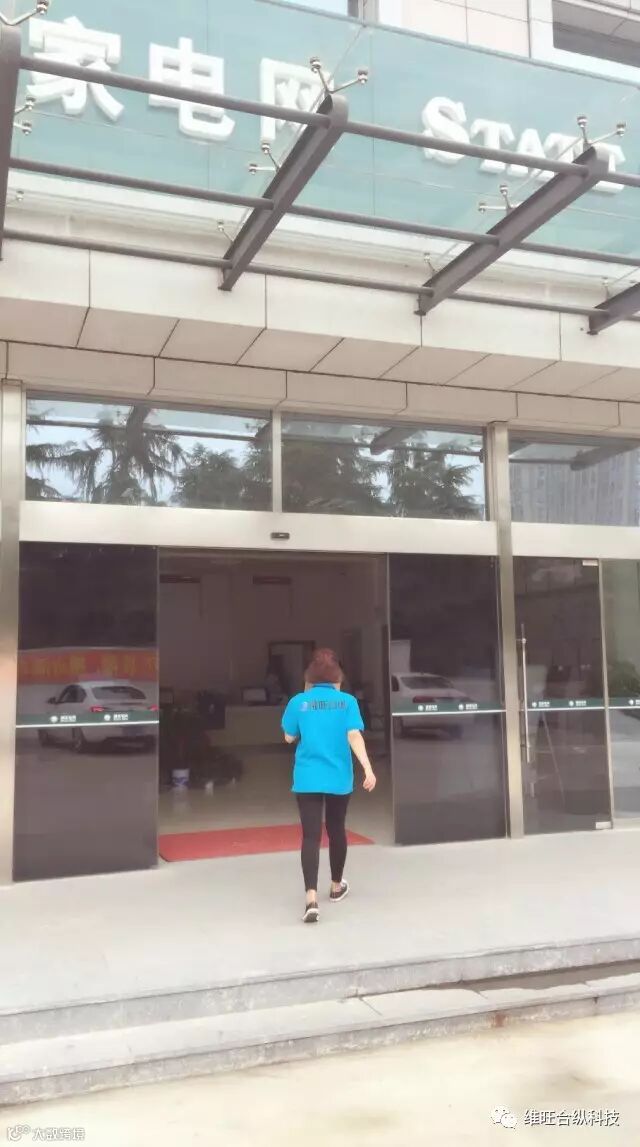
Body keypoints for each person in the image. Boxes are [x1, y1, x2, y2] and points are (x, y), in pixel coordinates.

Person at [281, 647, 376, 924]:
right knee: (336, 830)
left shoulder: (299, 701)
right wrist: (368, 768)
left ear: (310, 676)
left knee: (310, 836)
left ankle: (311, 899)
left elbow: (288, 737)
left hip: (307, 778)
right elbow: (354, 736)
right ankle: (336, 887)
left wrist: (306, 708)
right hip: (338, 777)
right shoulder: (347, 702)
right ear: (338, 677)